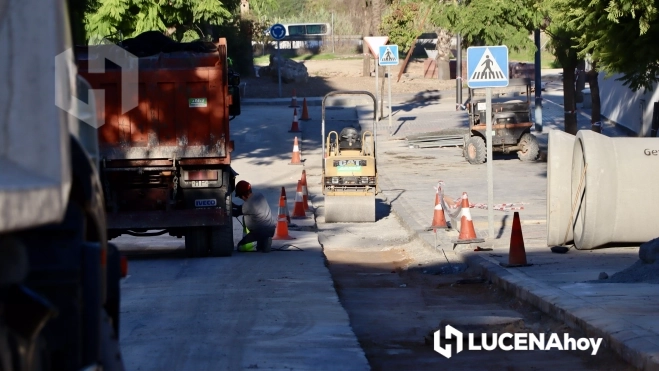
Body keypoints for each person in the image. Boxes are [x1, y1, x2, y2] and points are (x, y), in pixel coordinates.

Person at [232, 180, 276, 253]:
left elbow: (236, 213)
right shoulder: (259, 195)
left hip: (259, 231)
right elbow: (242, 207)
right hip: (270, 230)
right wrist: (233, 205)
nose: (241, 198)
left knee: (240, 246)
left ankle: (261, 245)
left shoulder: (247, 205)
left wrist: (225, 209)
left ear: (243, 195)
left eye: (240, 196)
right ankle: (265, 241)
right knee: (259, 236)